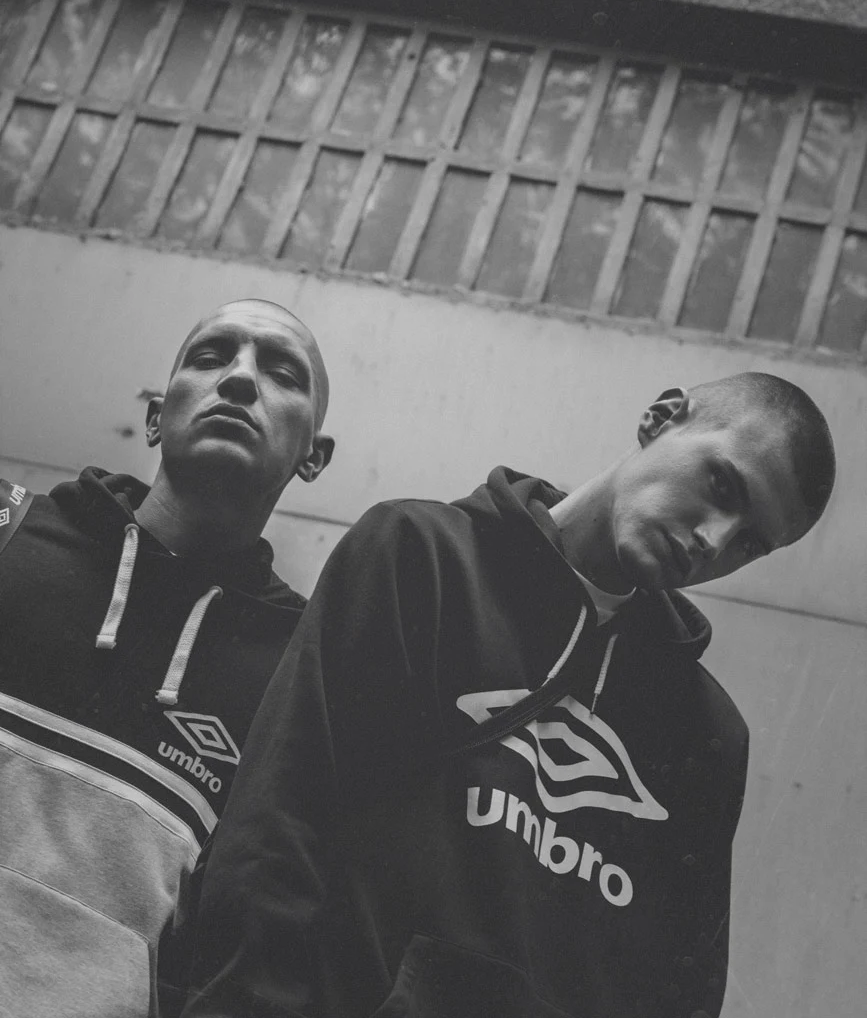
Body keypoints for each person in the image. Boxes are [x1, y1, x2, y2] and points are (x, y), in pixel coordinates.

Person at [182, 371, 835, 1018]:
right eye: (721, 485)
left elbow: (677, 993)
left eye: (749, 542)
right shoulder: (420, 557)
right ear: (660, 418)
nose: (714, 540)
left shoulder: (705, 734)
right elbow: (281, 822)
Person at [0, 298, 334, 1018]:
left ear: (314, 455)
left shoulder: (304, 670)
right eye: (210, 358)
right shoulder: (8, 526)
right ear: (156, 418)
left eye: (282, 373)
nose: (239, 379)